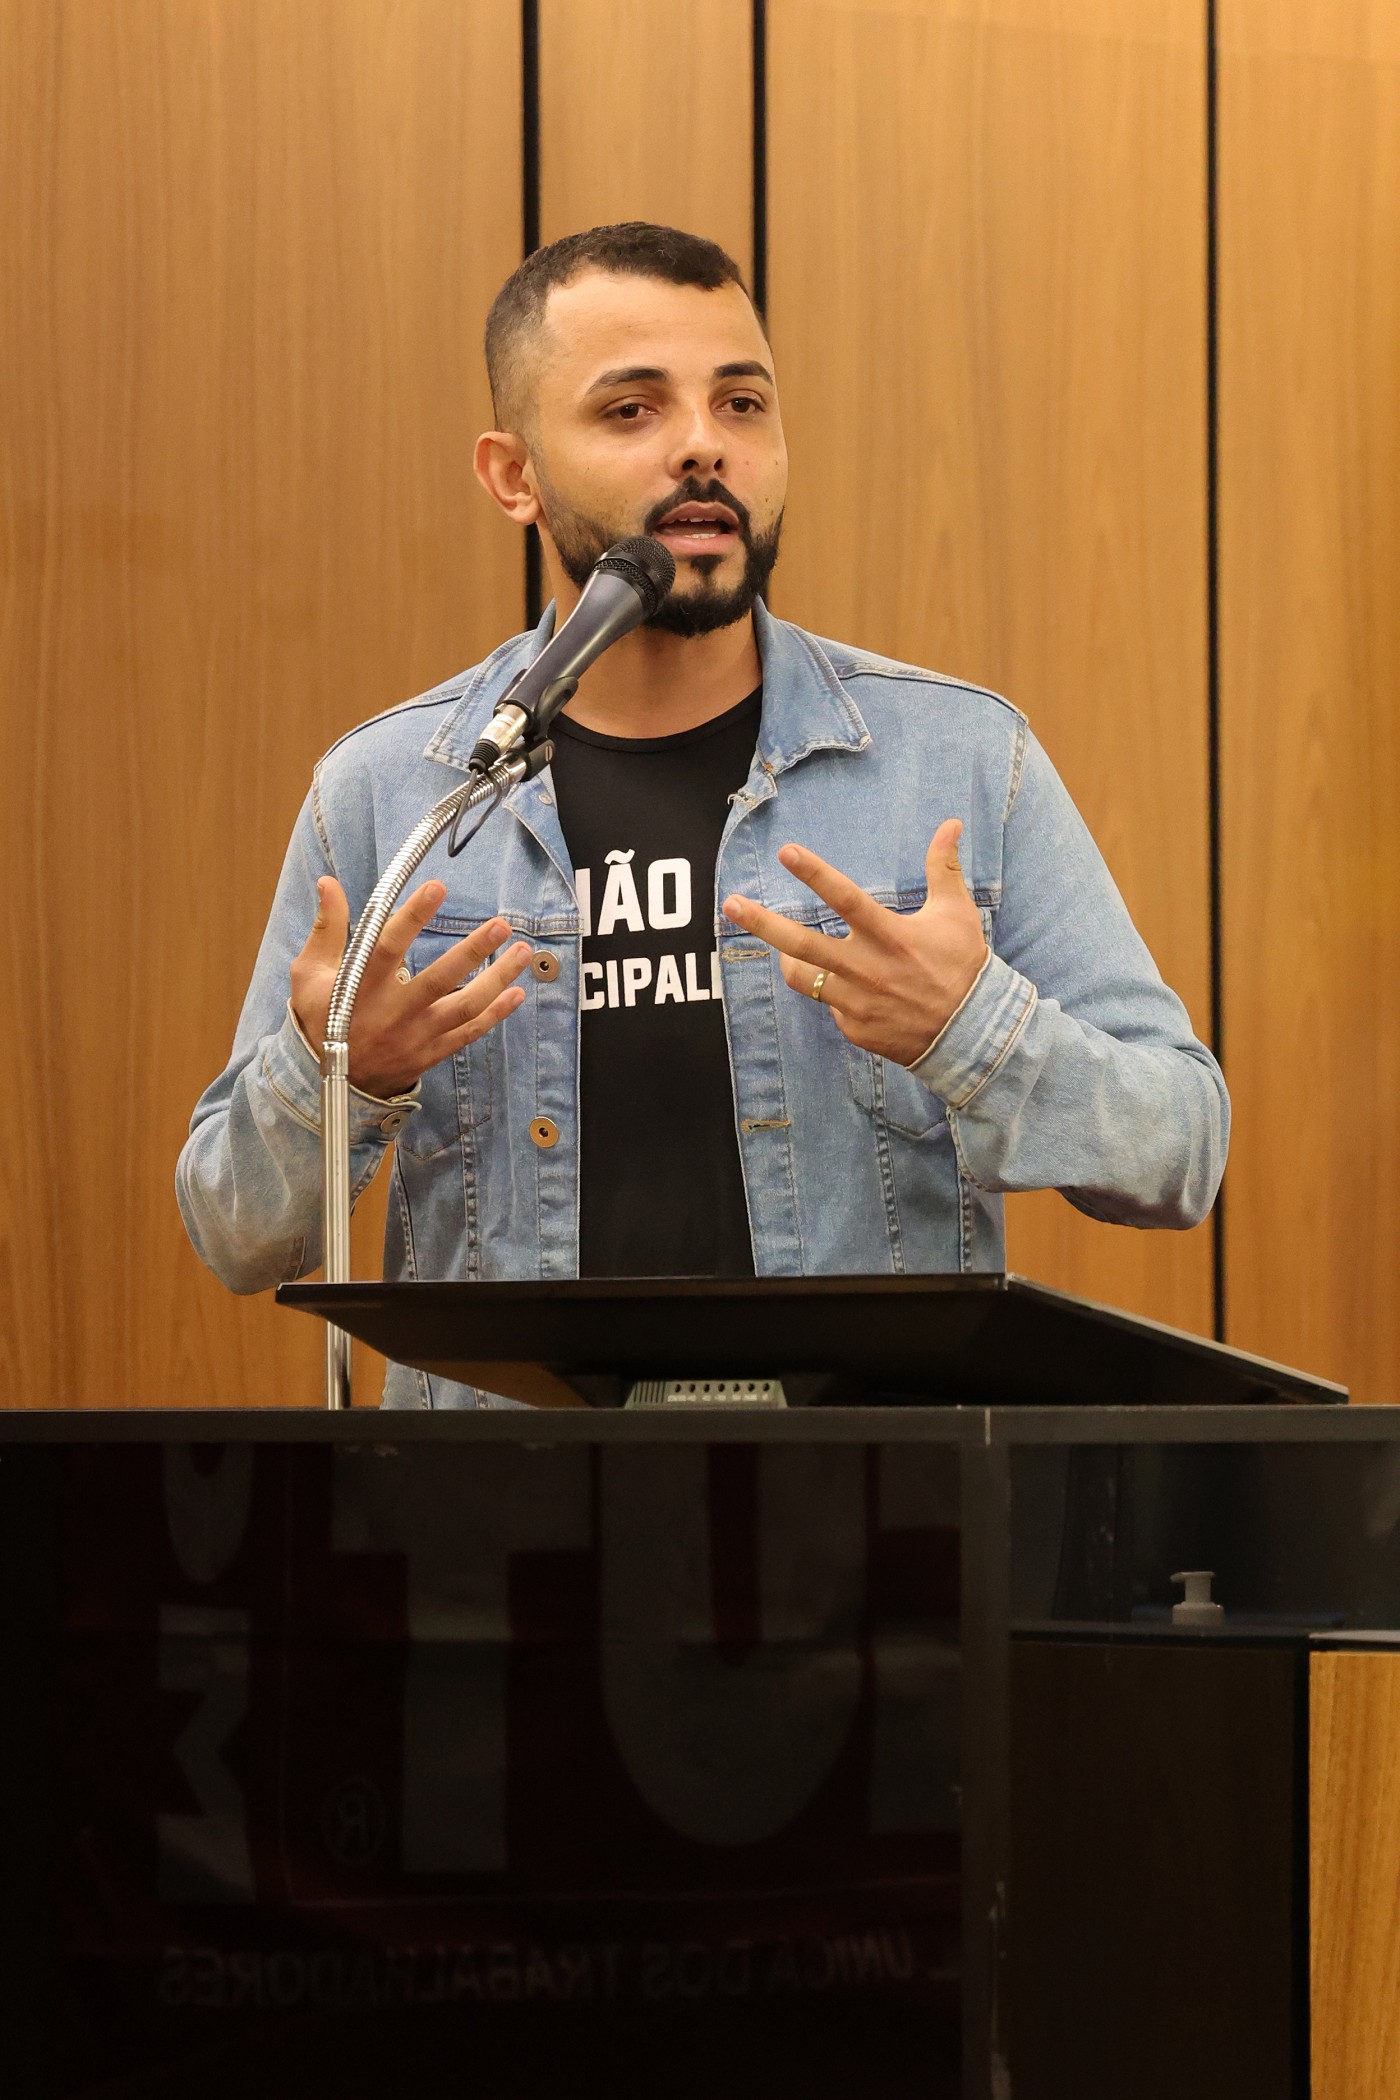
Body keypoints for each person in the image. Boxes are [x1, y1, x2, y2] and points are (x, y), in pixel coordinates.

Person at [177, 221, 1229, 1410]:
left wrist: (970, 1030)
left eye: (741, 404)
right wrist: (345, 1078)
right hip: (508, 1505)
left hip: (867, 1502)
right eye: (631, 410)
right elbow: (234, 1230)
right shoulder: (394, 794)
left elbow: (1178, 1153)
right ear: (514, 476)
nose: (702, 446)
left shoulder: (958, 762)